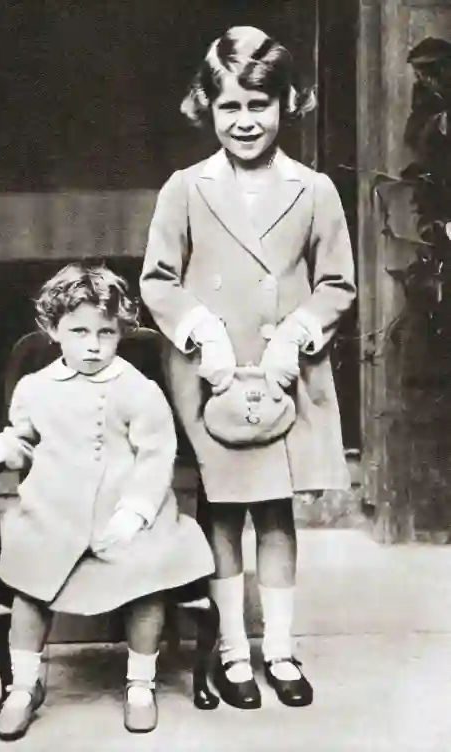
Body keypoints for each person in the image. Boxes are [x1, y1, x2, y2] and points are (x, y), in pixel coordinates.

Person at [140, 26, 356, 710]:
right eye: (229, 106)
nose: (244, 121)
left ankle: (281, 649)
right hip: (216, 378)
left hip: (283, 375)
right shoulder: (185, 189)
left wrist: (299, 332)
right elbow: (159, 279)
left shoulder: (315, 190)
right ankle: (234, 649)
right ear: (206, 107)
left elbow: (337, 284)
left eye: (258, 105)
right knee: (224, 513)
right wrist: (200, 331)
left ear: (287, 103)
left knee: (277, 515)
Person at [0, 263, 215, 739]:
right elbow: (24, 442)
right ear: (53, 329)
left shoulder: (139, 391)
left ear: (121, 332)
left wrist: (137, 511)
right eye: (78, 331)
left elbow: (156, 454)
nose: (94, 345)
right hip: (56, 513)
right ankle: (23, 685)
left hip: (126, 515)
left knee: (147, 580)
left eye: (106, 332)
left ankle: (140, 683)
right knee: (29, 584)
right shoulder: (35, 389)